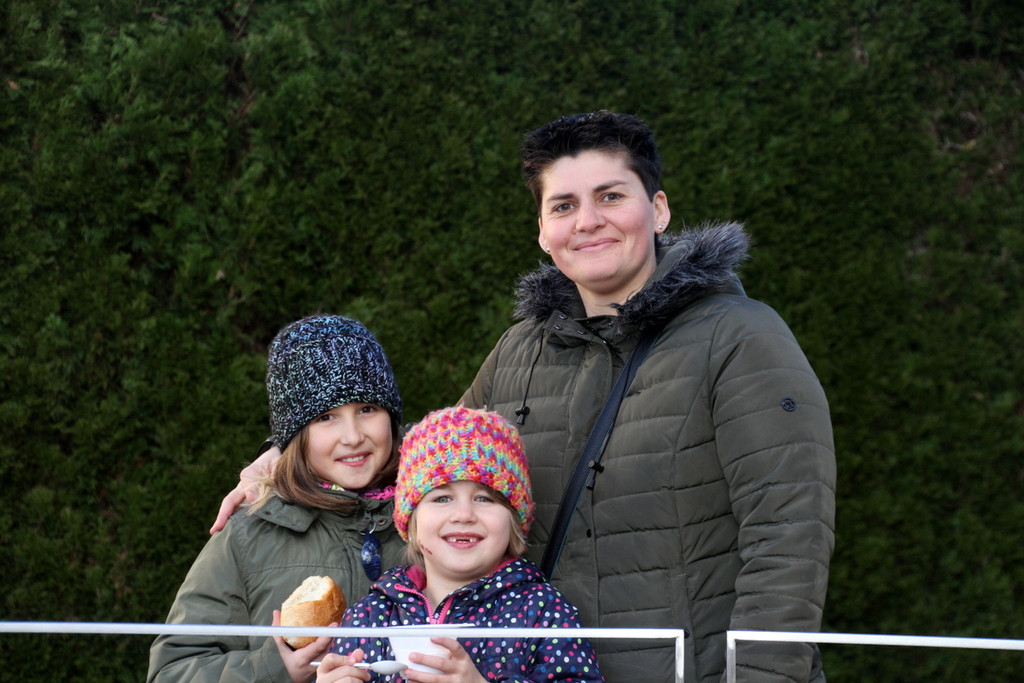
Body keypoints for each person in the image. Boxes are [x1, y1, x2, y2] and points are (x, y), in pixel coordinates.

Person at [214, 111, 837, 683]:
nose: (587, 221)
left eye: (611, 196)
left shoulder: (741, 340)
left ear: (659, 209)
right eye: (563, 205)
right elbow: (429, 463)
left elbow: (788, 539)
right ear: (542, 230)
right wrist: (286, 455)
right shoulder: (521, 351)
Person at [149, 314, 409, 683]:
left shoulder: (437, 520)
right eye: (326, 417)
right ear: (294, 435)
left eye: (367, 409)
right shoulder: (248, 537)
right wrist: (275, 668)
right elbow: (171, 671)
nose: (352, 437)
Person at [315, 406, 603, 683]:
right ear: (411, 522)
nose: (463, 515)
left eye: (484, 498)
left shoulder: (541, 610)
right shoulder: (370, 616)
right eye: (442, 498)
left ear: (513, 521)